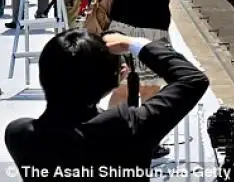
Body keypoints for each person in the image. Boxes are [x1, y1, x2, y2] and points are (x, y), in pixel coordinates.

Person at [4, 30, 210, 181]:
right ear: (118, 76)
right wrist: (132, 43)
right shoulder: (130, 127)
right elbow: (192, 79)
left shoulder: (20, 134)